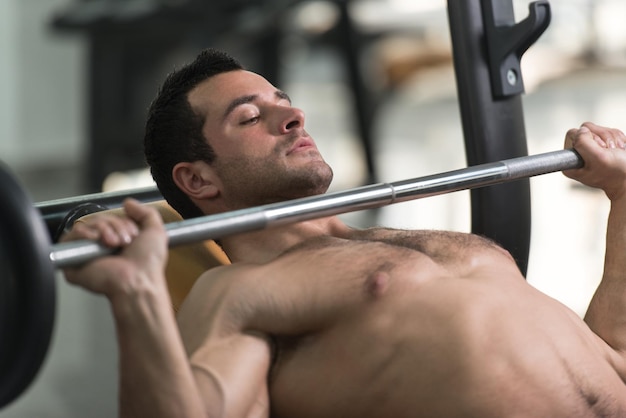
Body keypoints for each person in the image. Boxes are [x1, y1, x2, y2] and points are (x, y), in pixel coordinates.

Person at [62, 49, 626, 417]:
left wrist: (623, 196)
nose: (293, 117)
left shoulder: (404, 240)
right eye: (249, 117)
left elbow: (610, 353)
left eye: (283, 102)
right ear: (199, 180)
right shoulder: (239, 294)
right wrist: (135, 294)